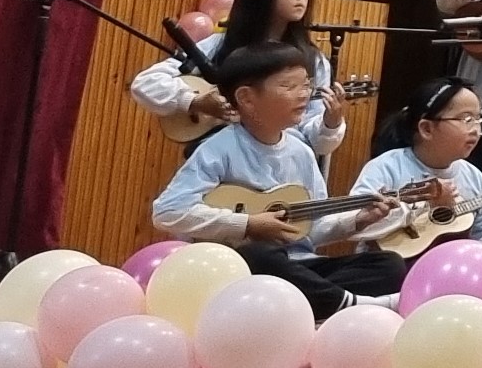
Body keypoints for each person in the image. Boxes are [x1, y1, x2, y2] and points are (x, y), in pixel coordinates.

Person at [150, 41, 395, 317]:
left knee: (388, 264)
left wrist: (358, 220)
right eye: (289, 86)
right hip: (243, 271)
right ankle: (343, 303)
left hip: (298, 266)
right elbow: (167, 211)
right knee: (259, 255)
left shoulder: (302, 152)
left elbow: (309, 229)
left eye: (306, 85)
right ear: (246, 98)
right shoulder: (219, 149)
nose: (304, 95)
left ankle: (323, 301)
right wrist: (248, 224)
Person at [128, 0, 346, 160]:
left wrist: (331, 122)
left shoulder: (313, 61)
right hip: (222, 160)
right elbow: (145, 83)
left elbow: (316, 142)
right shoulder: (220, 44)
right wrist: (195, 101)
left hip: (280, 167)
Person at [331, 75, 482, 271]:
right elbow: (356, 225)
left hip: (449, 273)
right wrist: (425, 208)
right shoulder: (385, 167)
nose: (476, 129)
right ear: (426, 129)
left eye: (479, 120)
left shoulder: (476, 179)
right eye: (466, 119)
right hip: (388, 271)